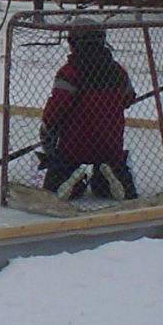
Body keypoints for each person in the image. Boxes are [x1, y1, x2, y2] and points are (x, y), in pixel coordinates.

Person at [39, 24, 138, 200]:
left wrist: (48, 129)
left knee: (59, 171)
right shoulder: (117, 70)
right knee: (104, 183)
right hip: (111, 140)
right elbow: (129, 98)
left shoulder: (69, 72)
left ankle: (71, 179)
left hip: (75, 141)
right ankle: (113, 176)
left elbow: (57, 107)